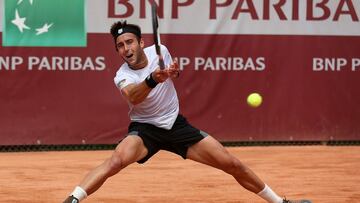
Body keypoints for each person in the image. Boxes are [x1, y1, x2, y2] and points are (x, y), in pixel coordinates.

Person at [63, 21, 311, 203]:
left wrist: (172, 73)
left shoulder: (160, 50)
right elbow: (133, 96)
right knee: (116, 160)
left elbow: (173, 73)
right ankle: (73, 199)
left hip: (176, 125)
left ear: (141, 42)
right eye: (120, 45)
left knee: (232, 164)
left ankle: (280, 202)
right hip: (145, 130)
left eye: (129, 42)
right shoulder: (122, 75)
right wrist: (152, 79)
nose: (125, 48)